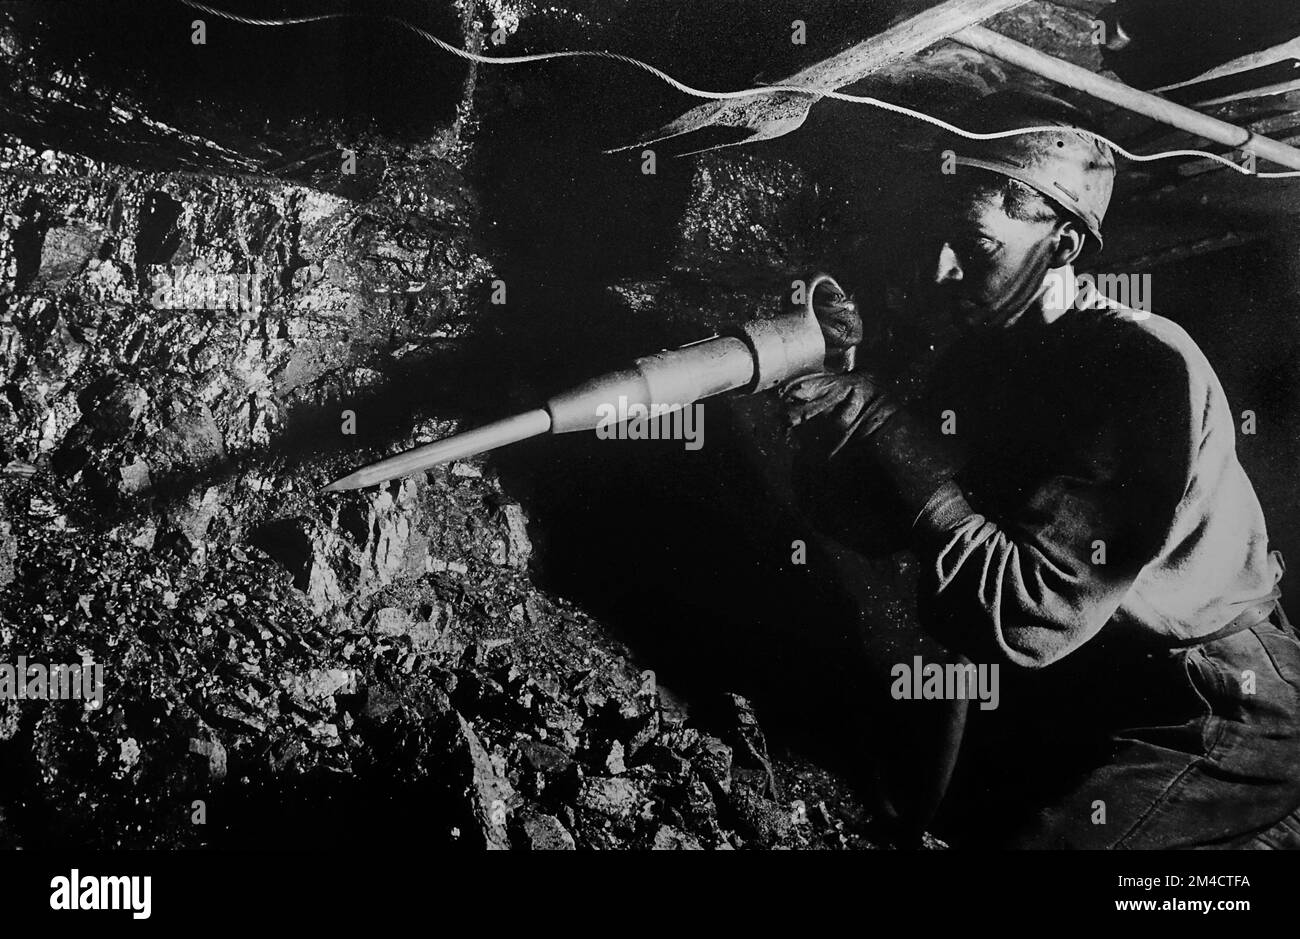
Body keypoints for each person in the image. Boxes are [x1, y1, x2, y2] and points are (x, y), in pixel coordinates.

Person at [784, 89, 1300, 848]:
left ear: (1061, 244)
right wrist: (838, 404)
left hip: (1221, 705)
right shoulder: (991, 356)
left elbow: (1031, 615)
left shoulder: (1139, 371)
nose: (943, 267)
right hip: (1099, 684)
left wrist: (889, 426)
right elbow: (873, 519)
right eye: (937, 238)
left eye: (975, 242)